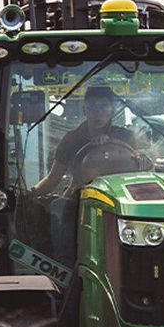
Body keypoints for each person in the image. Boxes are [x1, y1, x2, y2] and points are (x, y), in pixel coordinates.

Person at [31, 85, 141, 267]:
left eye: (103, 107)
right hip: (81, 200)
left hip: (123, 203)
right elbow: (53, 179)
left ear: (113, 109)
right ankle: (65, 269)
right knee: (61, 207)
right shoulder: (71, 139)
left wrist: (141, 157)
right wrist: (29, 194)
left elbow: (143, 165)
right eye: (92, 107)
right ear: (84, 110)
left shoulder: (126, 137)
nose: (97, 112)